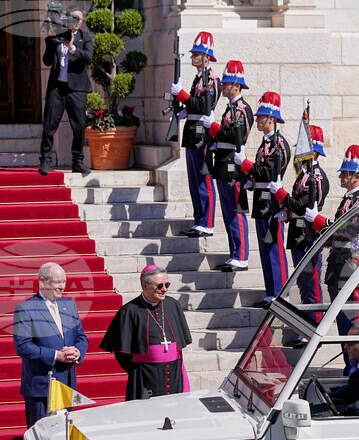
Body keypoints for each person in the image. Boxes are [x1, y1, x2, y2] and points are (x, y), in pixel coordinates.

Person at [306, 144, 359, 335]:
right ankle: (349, 362)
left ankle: (356, 363)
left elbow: (348, 230)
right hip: (338, 261)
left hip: (349, 263)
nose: (341, 177)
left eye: (345, 173)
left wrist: (321, 223)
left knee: (351, 318)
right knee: (341, 319)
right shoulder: (349, 199)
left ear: (357, 176)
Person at [12, 262, 89, 428]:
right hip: (41, 385)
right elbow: (23, 346)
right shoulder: (25, 308)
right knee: (42, 435)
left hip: (66, 382)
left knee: (64, 436)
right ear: (43, 282)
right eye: (57, 282)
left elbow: (82, 337)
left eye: (64, 282)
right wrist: (56, 355)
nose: (62, 287)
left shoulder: (70, 305)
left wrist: (77, 352)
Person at [100, 265, 193, 401]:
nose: (164, 289)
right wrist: (139, 370)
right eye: (159, 286)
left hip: (174, 375)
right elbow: (121, 354)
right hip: (145, 376)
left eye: (167, 284)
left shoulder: (173, 305)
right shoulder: (129, 311)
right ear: (145, 286)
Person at [238, 91, 291, 308]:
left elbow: (268, 172)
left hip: (271, 201)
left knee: (274, 248)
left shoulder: (278, 143)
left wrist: (247, 165)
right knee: (264, 248)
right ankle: (271, 292)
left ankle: (280, 293)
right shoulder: (266, 143)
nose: (257, 120)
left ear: (271, 118)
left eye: (261, 117)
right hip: (261, 199)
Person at [269, 124, 330, 309]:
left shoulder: (317, 177)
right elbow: (297, 206)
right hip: (297, 233)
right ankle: (305, 328)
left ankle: (314, 326)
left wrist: (280, 194)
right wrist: (287, 213)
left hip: (308, 235)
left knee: (311, 284)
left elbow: (302, 206)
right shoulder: (304, 175)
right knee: (302, 284)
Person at [206, 59, 254, 271]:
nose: (223, 87)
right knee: (227, 213)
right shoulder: (231, 108)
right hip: (223, 165)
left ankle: (242, 256)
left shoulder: (242, 109)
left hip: (233, 167)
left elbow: (237, 136)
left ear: (237, 86)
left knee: (236, 211)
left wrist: (215, 128)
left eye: (226, 84)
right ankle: (234, 252)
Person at [173, 32, 220, 237]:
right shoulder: (198, 79)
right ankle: (199, 219)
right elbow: (195, 104)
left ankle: (207, 222)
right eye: (192, 54)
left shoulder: (211, 80)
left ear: (206, 57)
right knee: (193, 180)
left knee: (204, 179)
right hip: (192, 132)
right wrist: (184, 109)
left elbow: (203, 106)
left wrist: (182, 95)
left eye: (196, 54)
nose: (192, 57)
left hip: (202, 134)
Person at [38, 8, 92, 177]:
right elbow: (46, 60)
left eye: (79, 19)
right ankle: (45, 160)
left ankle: (77, 161)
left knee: (79, 125)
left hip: (77, 88)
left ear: (81, 22)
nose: (76, 21)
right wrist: (52, 42)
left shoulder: (84, 37)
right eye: (73, 17)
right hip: (57, 87)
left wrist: (72, 47)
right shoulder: (55, 36)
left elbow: (88, 57)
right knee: (49, 124)